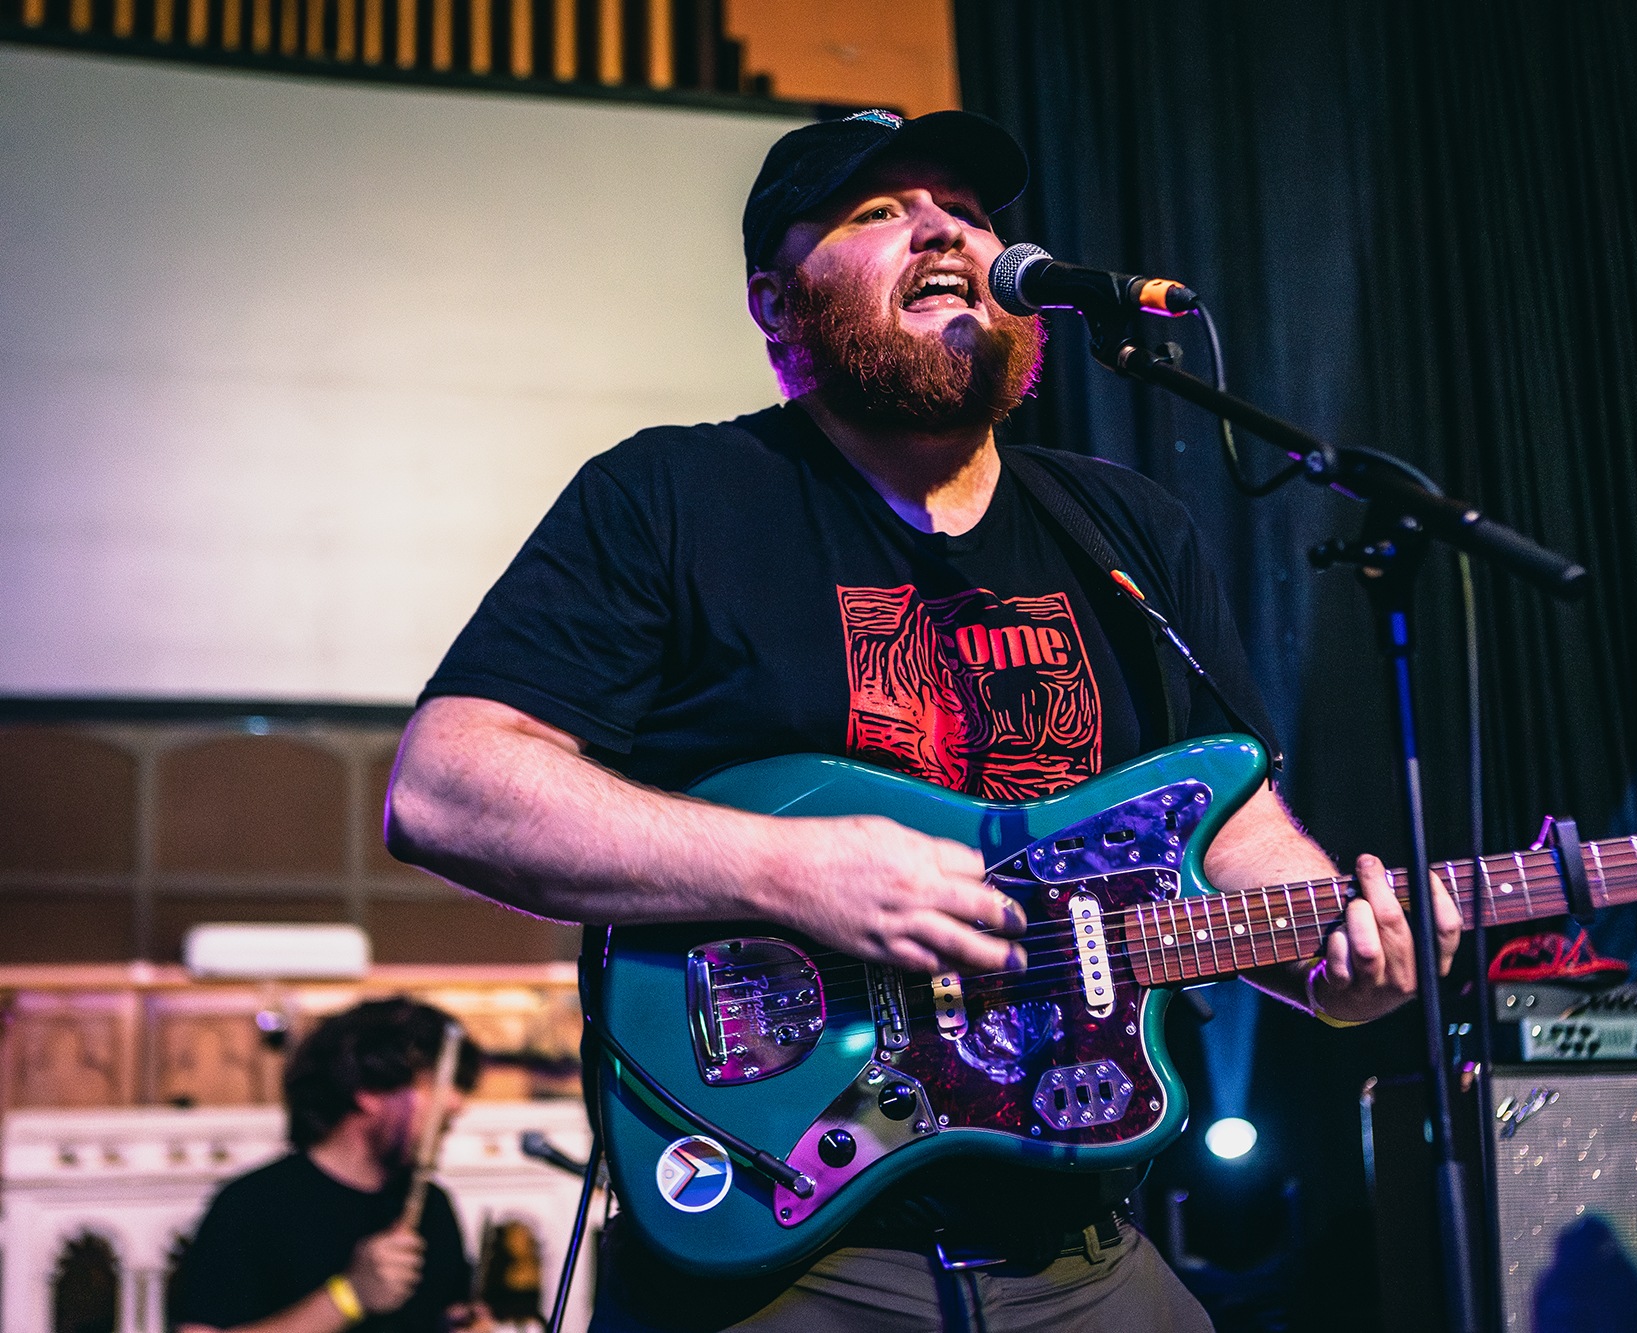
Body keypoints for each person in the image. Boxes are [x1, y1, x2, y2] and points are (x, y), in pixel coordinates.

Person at [385, 108, 1463, 1331]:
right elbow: (445, 787)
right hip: (788, 1248)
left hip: (1084, 1249)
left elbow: (1233, 824)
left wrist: (1332, 955)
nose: (941, 229)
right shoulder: (672, 496)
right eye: (876, 211)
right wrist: (789, 870)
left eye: (965, 209)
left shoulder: (1122, 529)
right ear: (774, 303)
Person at [171, 998, 489, 1333]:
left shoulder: (433, 1206)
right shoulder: (251, 1205)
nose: (456, 1104)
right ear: (368, 1089)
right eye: (433, 1084)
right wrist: (348, 1296)